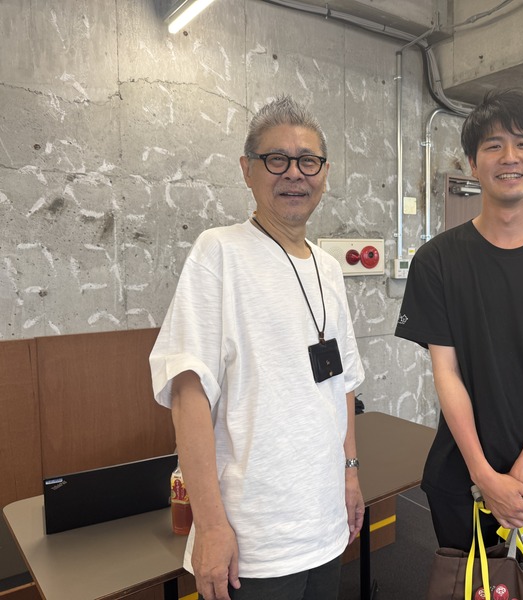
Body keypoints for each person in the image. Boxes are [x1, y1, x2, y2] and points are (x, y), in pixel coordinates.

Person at [150, 95, 365, 600]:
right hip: (253, 540)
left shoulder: (328, 268)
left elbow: (343, 385)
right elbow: (187, 394)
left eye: (308, 161)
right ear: (248, 170)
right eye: (276, 159)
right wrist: (211, 525)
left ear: (324, 173)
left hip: (324, 524)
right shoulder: (218, 252)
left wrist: (350, 476)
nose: (294, 174)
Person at [394, 88, 523, 570]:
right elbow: (446, 374)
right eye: (493, 146)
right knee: (466, 585)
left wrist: (519, 476)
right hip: (462, 471)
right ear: (473, 164)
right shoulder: (437, 260)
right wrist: (485, 477)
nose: (509, 156)